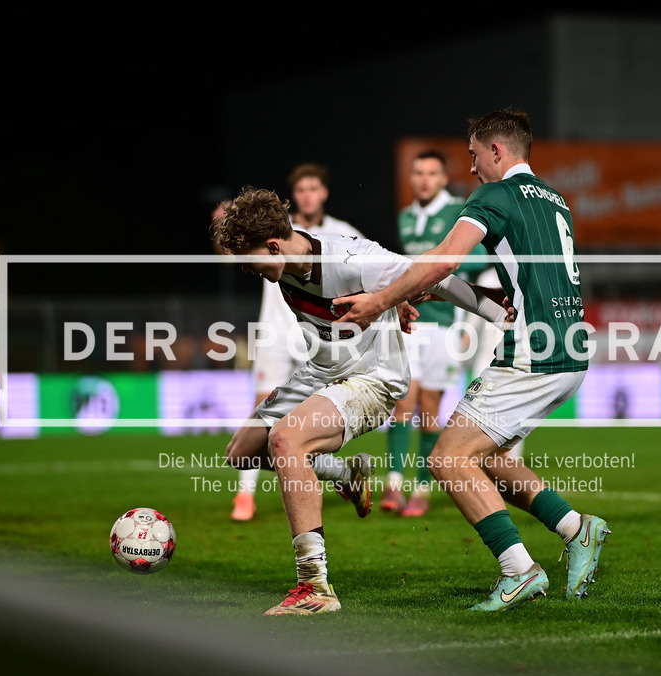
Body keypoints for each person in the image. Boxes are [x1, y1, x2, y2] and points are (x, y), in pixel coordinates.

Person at [334, 108, 611, 611]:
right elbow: (516, 279)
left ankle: (520, 570)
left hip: (532, 351)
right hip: (571, 349)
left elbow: (443, 259)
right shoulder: (555, 200)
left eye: (474, 154)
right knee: (492, 459)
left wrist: (378, 301)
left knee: (447, 457)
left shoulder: (494, 194)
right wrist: (440, 293)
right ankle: (577, 528)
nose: (472, 167)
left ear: (497, 151)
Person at [210, 186, 511, 615]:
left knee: (286, 440)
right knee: (241, 453)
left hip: (373, 378)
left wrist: (496, 311)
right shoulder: (285, 262)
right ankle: (345, 473)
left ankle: (314, 586)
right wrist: (396, 303)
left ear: (273, 245)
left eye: (251, 261)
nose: (251, 271)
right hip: (320, 370)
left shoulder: (351, 258)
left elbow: (434, 276)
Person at [228, 164, 365, 522]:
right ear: (293, 196)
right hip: (274, 333)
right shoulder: (273, 231)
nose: (307, 195)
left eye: (313, 188)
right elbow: (233, 248)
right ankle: (246, 495)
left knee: (298, 431)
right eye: (301, 189)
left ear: (324, 193)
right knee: (260, 417)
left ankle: (342, 475)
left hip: (320, 340)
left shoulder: (341, 233)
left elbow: (369, 272)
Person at [383, 151, 488, 517]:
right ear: (411, 179)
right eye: (419, 173)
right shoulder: (406, 217)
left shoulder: (459, 211)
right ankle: (394, 484)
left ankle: (422, 489)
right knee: (402, 405)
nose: (425, 179)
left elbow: (477, 260)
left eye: (432, 173)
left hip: (447, 325)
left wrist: (467, 324)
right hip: (411, 323)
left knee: (429, 412)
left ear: (444, 178)